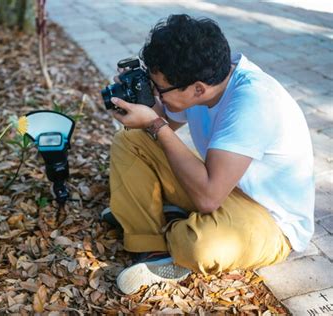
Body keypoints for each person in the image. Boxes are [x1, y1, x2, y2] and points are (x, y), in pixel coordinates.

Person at [102, 14, 315, 295]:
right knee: (131, 140)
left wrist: (156, 124)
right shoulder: (208, 80)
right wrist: (138, 101)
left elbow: (208, 197)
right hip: (224, 187)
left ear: (198, 88)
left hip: (271, 220)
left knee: (201, 246)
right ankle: (150, 245)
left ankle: (158, 218)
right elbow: (160, 118)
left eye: (159, 88)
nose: (158, 94)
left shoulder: (252, 103)